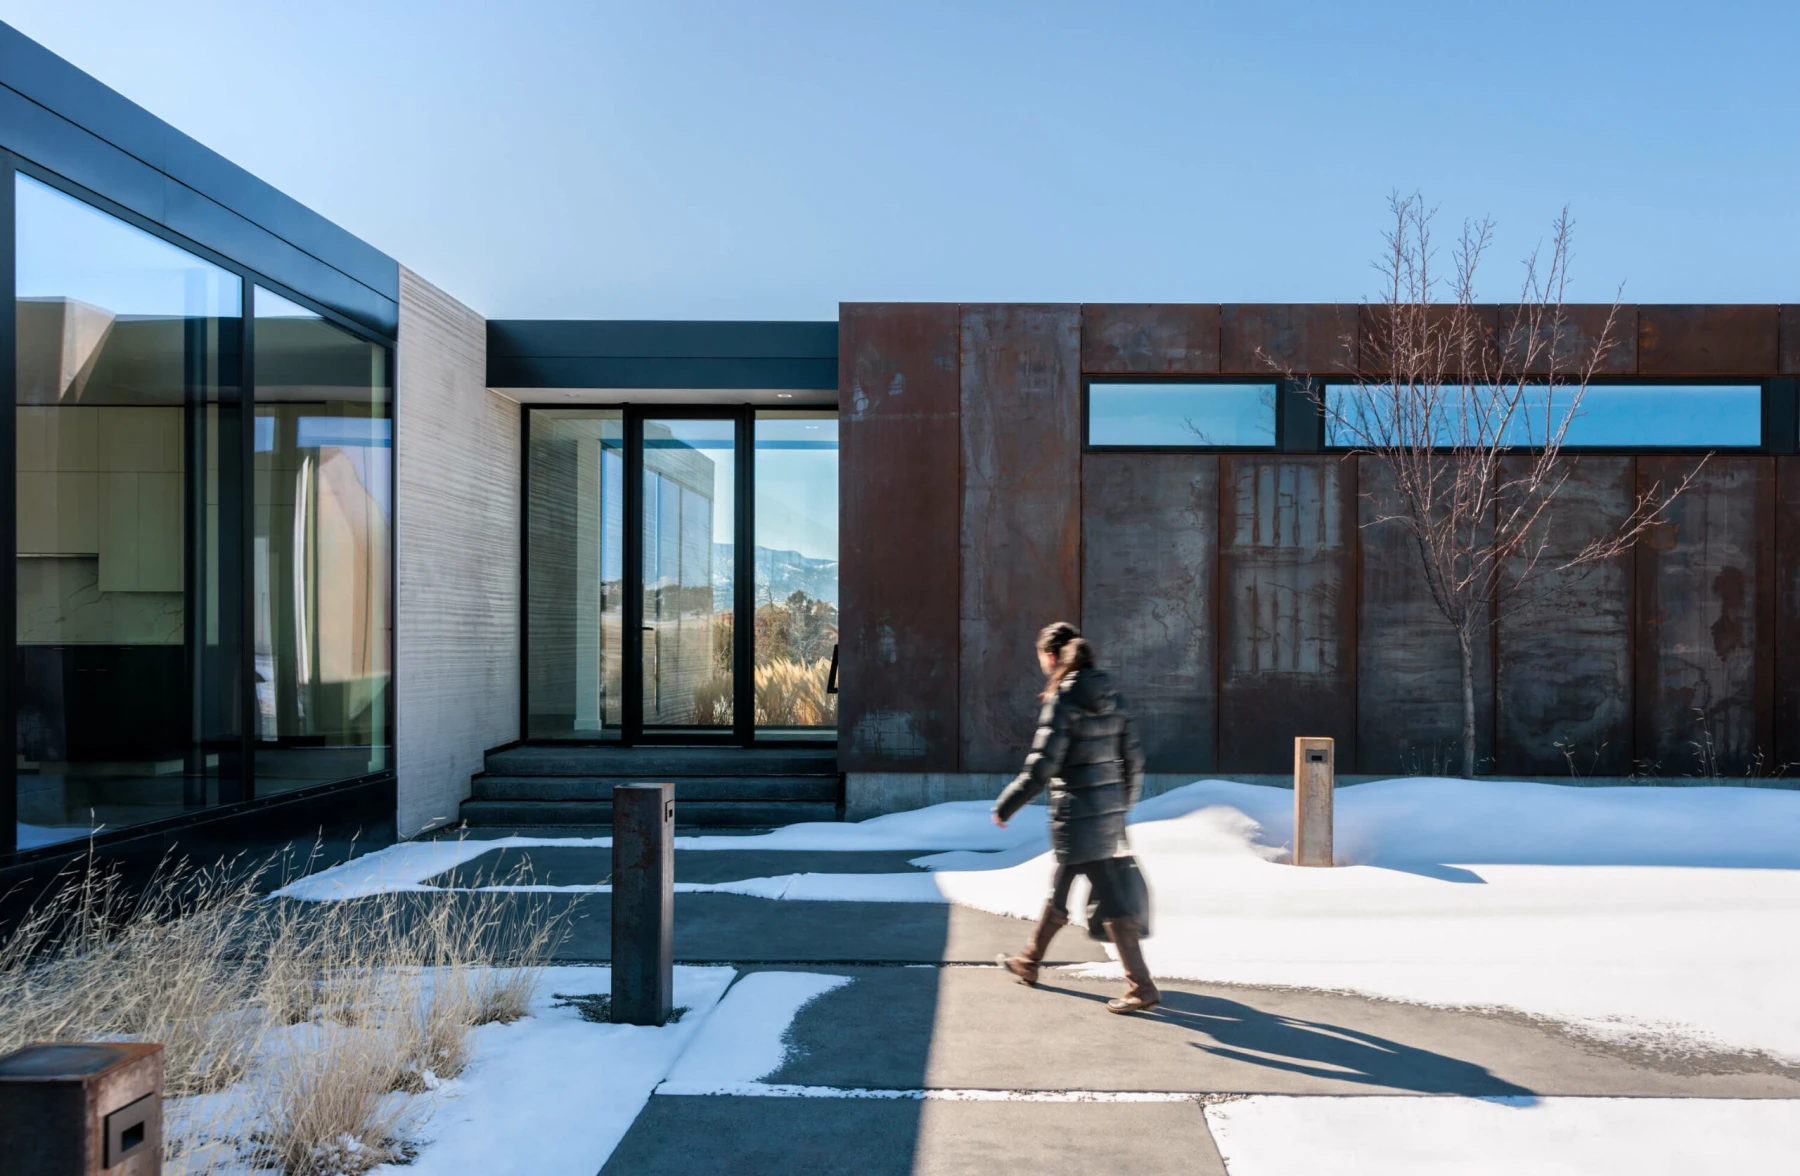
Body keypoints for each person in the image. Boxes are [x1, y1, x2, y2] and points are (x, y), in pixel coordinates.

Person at [992, 622, 1158, 1014]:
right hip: (1104, 814)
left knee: (1111, 898)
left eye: (1043, 661)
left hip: (1078, 814)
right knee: (1064, 883)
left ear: (1052, 657)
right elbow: (1133, 758)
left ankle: (1142, 985)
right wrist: (1121, 804)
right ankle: (1030, 960)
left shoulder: (1063, 699)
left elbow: (1041, 767)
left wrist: (1006, 805)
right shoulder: (1112, 695)